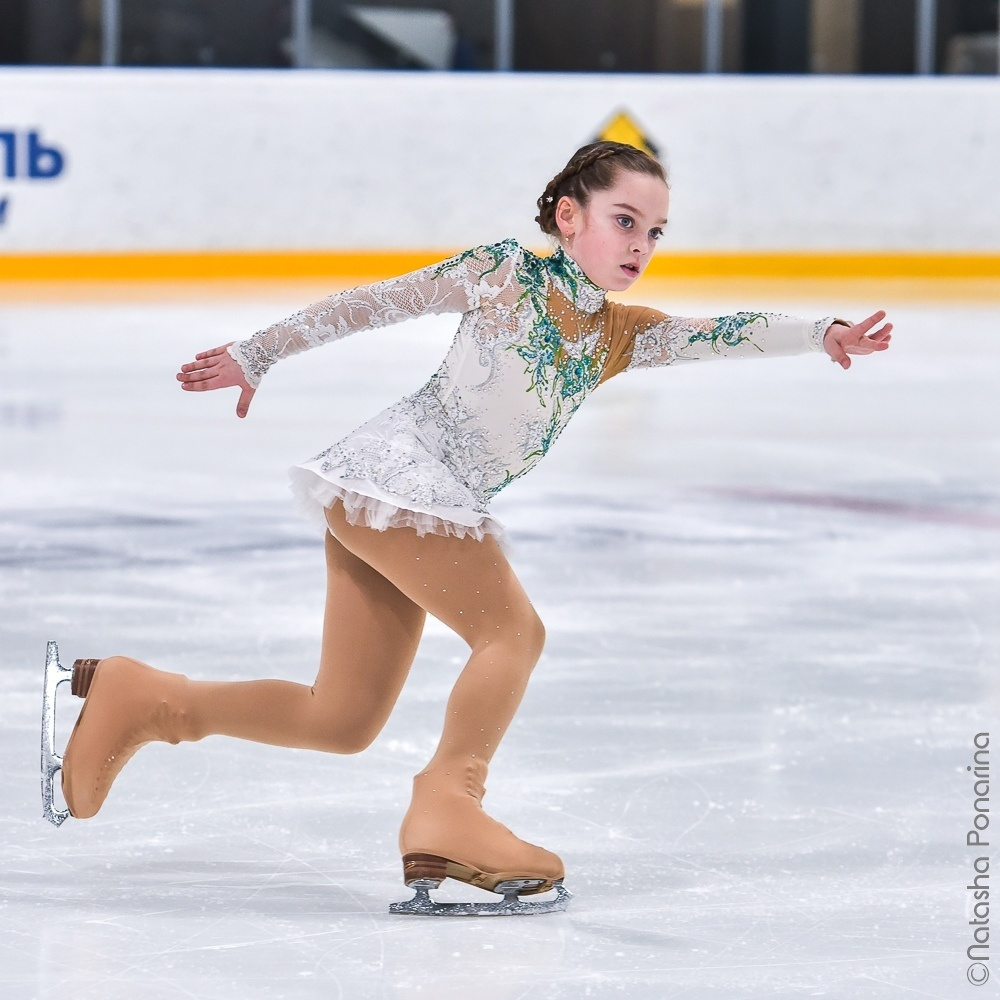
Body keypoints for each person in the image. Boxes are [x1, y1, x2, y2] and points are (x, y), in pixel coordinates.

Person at [43, 140, 892, 916]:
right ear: (570, 216)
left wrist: (823, 335)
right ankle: (450, 802)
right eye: (624, 220)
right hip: (401, 474)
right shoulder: (504, 273)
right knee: (511, 632)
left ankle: (146, 700)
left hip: (399, 498)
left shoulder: (617, 335)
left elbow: (717, 335)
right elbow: (376, 304)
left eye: (656, 232)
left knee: (342, 718)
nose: (640, 244)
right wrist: (259, 352)